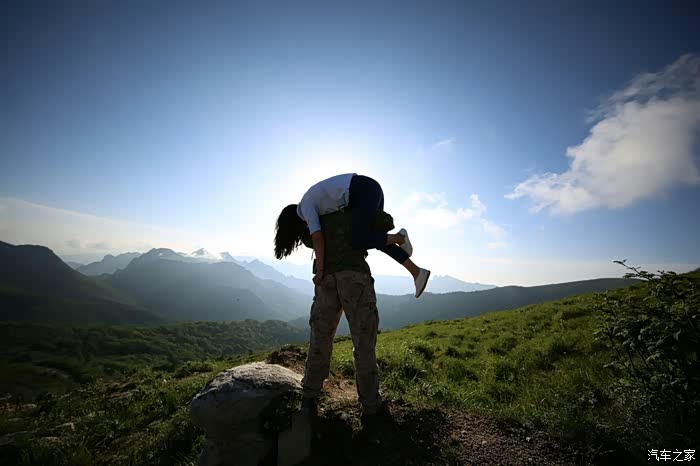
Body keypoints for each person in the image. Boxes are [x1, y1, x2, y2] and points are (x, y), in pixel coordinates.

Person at [293, 207, 392, 429]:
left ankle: (308, 398)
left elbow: (308, 241)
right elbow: (386, 223)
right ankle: (371, 407)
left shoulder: (319, 214)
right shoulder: (355, 209)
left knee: (320, 337)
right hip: (355, 277)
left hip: (325, 278)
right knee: (364, 343)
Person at [274, 173, 431, 298]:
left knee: (358, 239)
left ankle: (400, 237)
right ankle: (417, 272)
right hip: (367, 188)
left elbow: (317, 238)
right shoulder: (310, 201)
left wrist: (320, 271)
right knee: (376, 239)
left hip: (361, 190)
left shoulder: (305, 207)